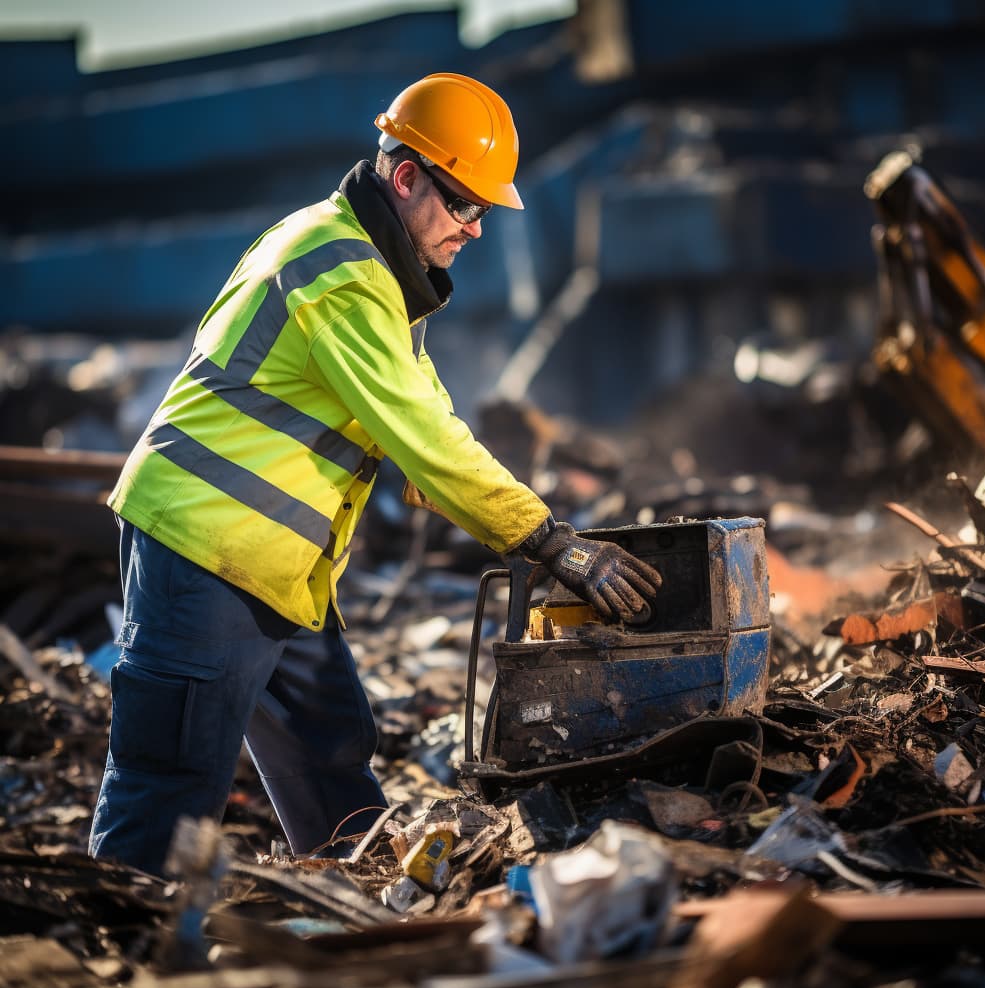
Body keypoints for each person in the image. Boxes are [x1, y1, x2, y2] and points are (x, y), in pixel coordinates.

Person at [88, 72, 661, 876]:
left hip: (271, 565)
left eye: (485, 212)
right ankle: (115, 961)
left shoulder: (365, 269)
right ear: (405, 177)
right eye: (466, 205)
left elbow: (425, 414)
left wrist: (466, 491)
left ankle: (363, 917)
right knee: (169, 780)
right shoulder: (343, 273)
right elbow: (419, 429)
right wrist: (547, 540)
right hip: (204, 549)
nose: (476, 229)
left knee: (330, 753)